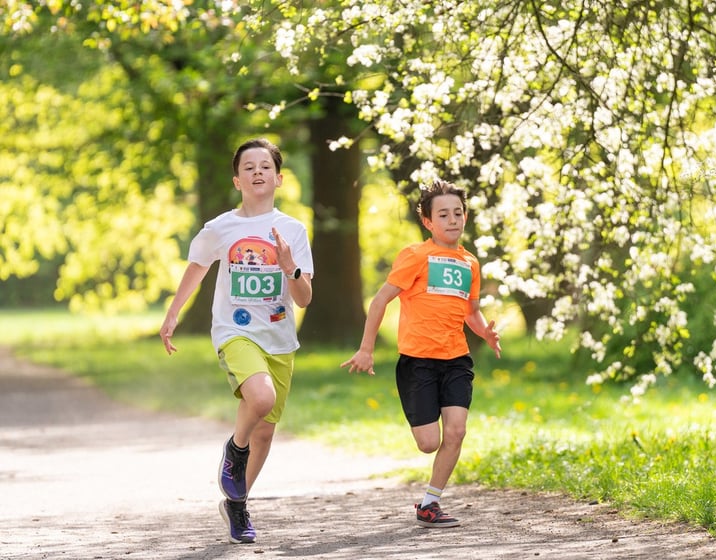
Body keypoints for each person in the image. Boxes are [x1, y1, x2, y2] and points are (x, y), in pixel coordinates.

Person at [159, 138, 313, 544]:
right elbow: (196, 269)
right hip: (235, 329)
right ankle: (234, 450)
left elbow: (304, 298)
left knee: (266, 432)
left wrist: (290, 267)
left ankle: (237, 505)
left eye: (265, 166)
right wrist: (173, 312)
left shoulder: (293, 231)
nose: (258, 171)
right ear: (237, 180)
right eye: (249, 167)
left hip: (279, 337)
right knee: (258, 400)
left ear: (279, 179)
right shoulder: (221, 228)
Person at [341, 178, 501, 528]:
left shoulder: (471, 263)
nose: (453, 220)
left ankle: (430, 503)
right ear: (428, 222)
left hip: (457, 359)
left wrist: (485, 333)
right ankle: (428, 492)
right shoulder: (415, 256)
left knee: (456, 432)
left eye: (458, 213)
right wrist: (366, 348)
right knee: (429, 443)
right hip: (418, 362)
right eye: (443, 214)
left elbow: (470, 312)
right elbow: (381, 299)